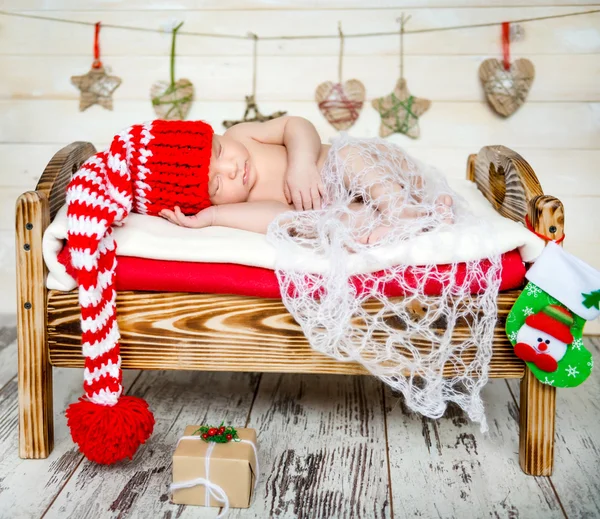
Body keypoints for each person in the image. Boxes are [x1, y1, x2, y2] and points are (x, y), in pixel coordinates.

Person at [159, 116, 453, 244]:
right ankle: (415, 222)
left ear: (216, 135)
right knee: (331, 224)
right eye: (218, 185)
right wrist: (212, 217)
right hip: (346, 203)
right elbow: (283, 218)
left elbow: (296, 125)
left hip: (373, 170)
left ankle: (399, 206)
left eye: (219, 151)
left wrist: (300, 163)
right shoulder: (241, 203)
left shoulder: (241, 135)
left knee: (347, 155)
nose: (231, 168)